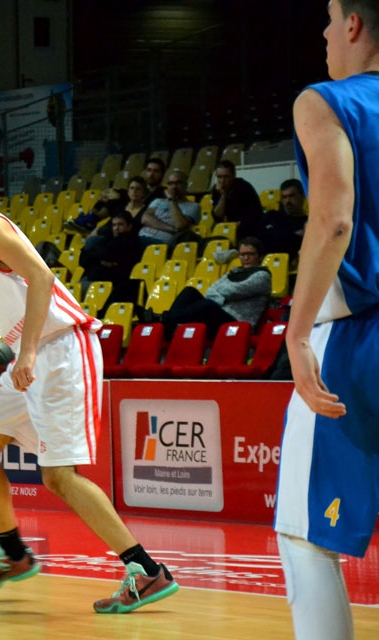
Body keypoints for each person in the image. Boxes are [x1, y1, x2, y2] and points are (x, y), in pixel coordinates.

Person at [0, 151, 178, 613]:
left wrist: (30, 350)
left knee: (59, 476)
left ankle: (146, 570)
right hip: (29, 352)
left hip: (58, 348)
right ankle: (14, 553)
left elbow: (41, 277)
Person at [274, 3, 379, 639]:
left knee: (303, 529)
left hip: (356, 335)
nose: (321, 32)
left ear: (355, 26)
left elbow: (334, 220)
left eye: (329, 16)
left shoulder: (326, 100)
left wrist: (296, 330)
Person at [162, 237, 271, 338]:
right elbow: (210, 290)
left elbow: (235, 291)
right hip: (220, 316)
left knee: (208, 305)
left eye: (250, 254)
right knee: (189, 291)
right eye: (242, 255)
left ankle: (163, 319)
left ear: (260, 256)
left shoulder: (262, 276)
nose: (246, 258)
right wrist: (223, 295)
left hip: (238, 323)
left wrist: (220, 294)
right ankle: (166, 330)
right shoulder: (234, 272)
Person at [78, 210, 145, 311]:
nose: (116, 228)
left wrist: (94, 259)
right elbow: (82, 259)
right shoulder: (107, 240)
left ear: (129, 226)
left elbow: (109, 254)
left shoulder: (131, 242)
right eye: (114, 225)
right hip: (93, 278)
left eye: (120, 225)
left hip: (111, 282)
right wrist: (101, 261)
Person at [137, 170, 201, 247]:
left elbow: (180, 225)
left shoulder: (193, 206)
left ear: (186, 185)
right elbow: (145, 219)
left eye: (178, 183)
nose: (174, 187)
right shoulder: (158, 201)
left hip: (162, 243)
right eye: (171, 183)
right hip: (141, 237)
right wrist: (171, 229)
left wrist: (171, 200)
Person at [210, 159, 264, 240]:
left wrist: (234, 226)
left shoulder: (244, 187)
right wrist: (223, 195)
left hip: (249, 226)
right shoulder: (216, 189)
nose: (222, 181)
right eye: (219, 177)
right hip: (231, 225)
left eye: (226, 176)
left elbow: (252, 214)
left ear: (233, 175)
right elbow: (217, 216)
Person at [257, 178, 308, 261]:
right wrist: (295, 236)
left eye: (292, 196)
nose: (288, 201)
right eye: (284, 197)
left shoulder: (308, 222)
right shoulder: (271, 216)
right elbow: (259, 240)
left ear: (302, 196)